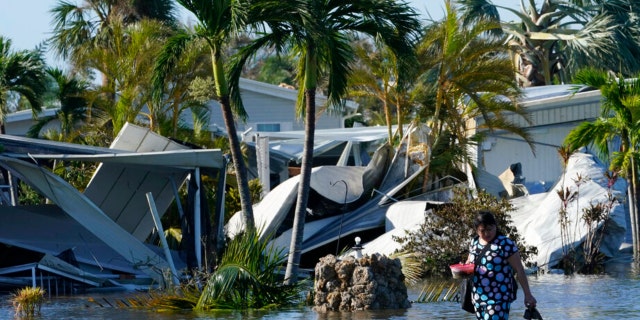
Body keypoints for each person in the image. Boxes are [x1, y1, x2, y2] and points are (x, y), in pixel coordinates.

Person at [466, 210, 537, 320]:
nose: (486, 233)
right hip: (478, 297)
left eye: (490, 229)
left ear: (495, 226)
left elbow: (519, 269)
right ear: (476, 230)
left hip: (499, 297)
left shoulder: (505, 244)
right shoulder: (474, 243)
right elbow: (469, 264)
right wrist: (463, 268)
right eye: (482, 231)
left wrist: (527, 295)